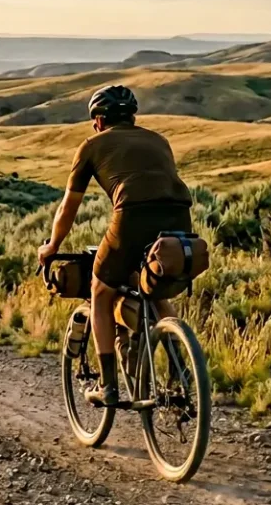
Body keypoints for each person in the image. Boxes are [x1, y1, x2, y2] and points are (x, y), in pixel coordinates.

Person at [37, 85, 192, 406]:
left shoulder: (91, 145)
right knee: (154, 288)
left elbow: (69, 207)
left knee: (100, 291)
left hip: (132, 217)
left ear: (98, 121)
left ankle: (108, 386)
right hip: (179, 217)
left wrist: (52, 246)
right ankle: (182, 369)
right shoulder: (159, 140)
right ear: (132, 117)